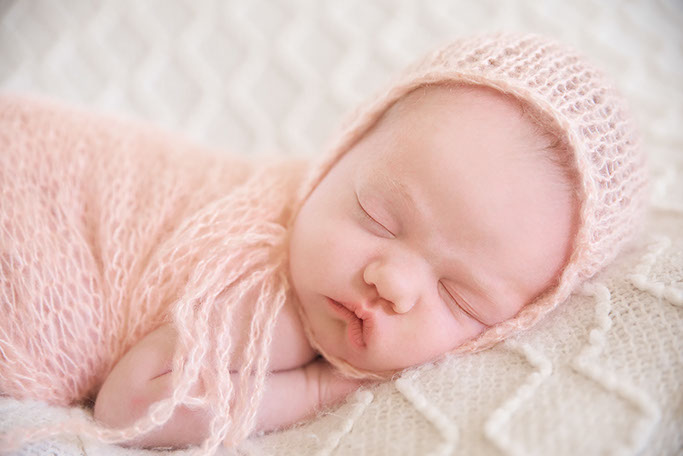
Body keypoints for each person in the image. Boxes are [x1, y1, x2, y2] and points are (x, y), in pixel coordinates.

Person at [0, 33, 646, 452]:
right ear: (336, 157)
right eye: (377, 217)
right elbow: (134, 404)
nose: (390, 281)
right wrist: (307, 392)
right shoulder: (266, 283)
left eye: (459, 296)